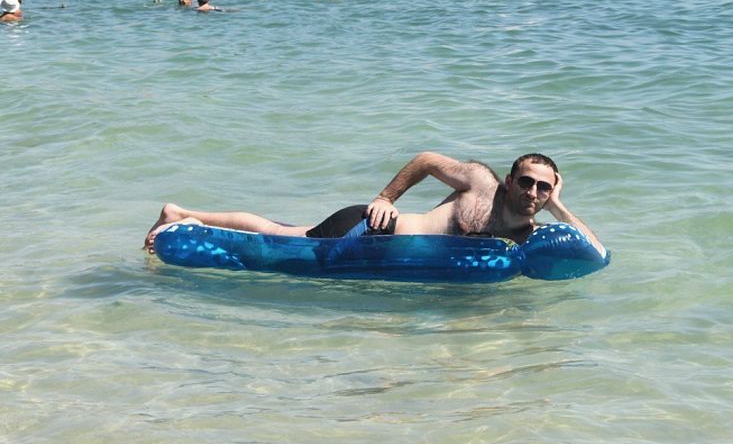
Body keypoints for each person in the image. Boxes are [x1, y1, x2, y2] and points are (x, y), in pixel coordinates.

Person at [144, 152, 604, 255]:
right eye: (526, 182)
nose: (533, 193)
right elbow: (426, 160)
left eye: (543, 188)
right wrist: (385, 197)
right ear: (510, 180)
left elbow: (593, 249)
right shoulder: (482, 184)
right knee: (277, 235)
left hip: (384, 252)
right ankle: (183, 215)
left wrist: (560, 206)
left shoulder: (529, 232)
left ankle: (187, 215)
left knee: (282, 228)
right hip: (370, 228)